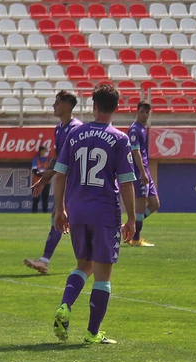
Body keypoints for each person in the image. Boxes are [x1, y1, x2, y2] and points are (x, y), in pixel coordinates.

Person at [51, 83, 136, 345]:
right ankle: (92, 333)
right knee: (102, 273)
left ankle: (65, 305)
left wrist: (59, 208)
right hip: (104, 213)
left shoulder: (74, 134)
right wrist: (132, 217)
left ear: (94, 105)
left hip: (77, 210)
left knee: (83, 265)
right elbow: (125, 182)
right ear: (117, 107)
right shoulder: (120, 139)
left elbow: (60, 173)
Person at [24, 91, 83, 275]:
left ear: (67, 105)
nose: (53, 106)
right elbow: (57, 157)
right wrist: (45, 180)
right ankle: (45, 260)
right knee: (60, 218)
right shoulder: (59, 129)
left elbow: (72, 160)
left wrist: (51, 176)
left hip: (78, 183)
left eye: (57, 102)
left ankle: (90, 262)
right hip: (66, 181)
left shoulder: (77, 129)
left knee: (68, 219)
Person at [125, 100, 159, 247]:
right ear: (137, 112)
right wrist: (142, 172)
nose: (144, 115)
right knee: (139, 206)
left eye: (147, 112)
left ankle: (129, 226)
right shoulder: (134, 129)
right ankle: (136, 239)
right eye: (142, 112)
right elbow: (135, 151)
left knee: (154, 204)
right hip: (139, 171)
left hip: (145, 170)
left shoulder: (143, 129)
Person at [30, 147, 51, 214]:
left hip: (46, 182)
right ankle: (34, 214)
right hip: (36, 182)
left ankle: (45, 213)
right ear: (41, 152)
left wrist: (45, 177)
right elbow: (34, 170)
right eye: (45, 151)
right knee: (36, 199)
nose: (47, 152)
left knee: (45, 199)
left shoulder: (49, 160)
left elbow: (51, 170)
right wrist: (43, 176)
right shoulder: (36, 159)